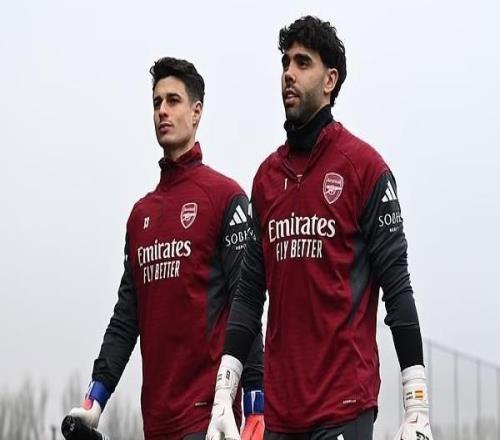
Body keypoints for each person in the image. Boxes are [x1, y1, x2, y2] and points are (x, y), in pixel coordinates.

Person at [206, 16, 434, 440]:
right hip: (281, 415)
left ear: (330, 80)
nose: (288, 74)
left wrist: (416, 403)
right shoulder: (266, 178)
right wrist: (224, 392)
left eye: (302, 62)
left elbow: (397, 288)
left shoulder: (365, 168)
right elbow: (249, 294)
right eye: (285, 62)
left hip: (344, 408)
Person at [68, 57, 264, 440]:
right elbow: (126, 318)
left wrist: (256, 405)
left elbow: (247, 304)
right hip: (156, 422)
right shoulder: (141, 214)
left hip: (210, 420)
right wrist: (95, 399)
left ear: (197, 112)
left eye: (173, 101)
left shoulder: (226, 198)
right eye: (156, 102)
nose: (162, 111)